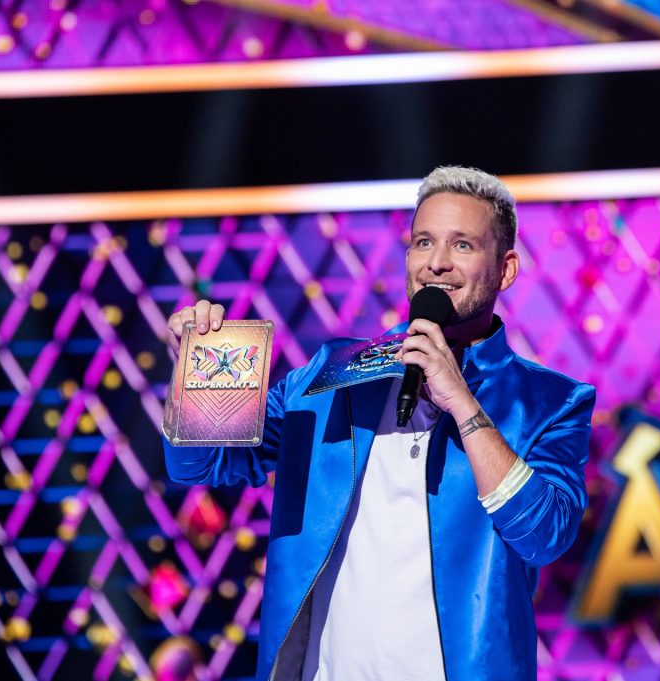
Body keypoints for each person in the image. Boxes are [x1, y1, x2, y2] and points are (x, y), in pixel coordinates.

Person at [162, 166, 596, 681]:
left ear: (505, 270)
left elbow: (545, 536)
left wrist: (463, 403)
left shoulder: (551, 401)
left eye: (462, 245)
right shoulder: (328, 374)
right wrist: (194, 373)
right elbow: (203, 466)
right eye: (423, 242)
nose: (436, 262)